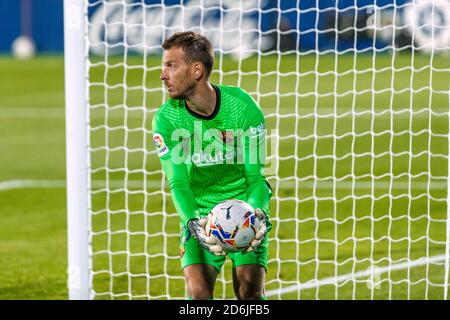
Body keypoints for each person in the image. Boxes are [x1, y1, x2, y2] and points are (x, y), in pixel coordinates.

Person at [152, 31, 272, 300]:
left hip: (245, 210)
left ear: (196, 70)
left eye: (171, 65)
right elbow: (178, 183)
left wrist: (258, 213)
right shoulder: (167, 120)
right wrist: (194, 223)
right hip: (201, 215)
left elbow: (256, 178)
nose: (162, 74)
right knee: (198, 296)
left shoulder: (243, 108)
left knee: (250, 292)